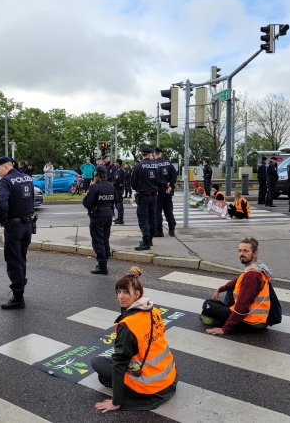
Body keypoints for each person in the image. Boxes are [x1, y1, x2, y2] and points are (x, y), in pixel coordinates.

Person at [92, 266, 178, 413]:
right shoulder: (154, 311)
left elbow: (119, 363)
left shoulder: (128, 325)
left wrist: (116, 402)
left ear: (137, 294)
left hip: (148, 389)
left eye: (126, 292)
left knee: (97, 362)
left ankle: (125, 391)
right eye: (118, 291)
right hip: (168, 380)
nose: (120, 296)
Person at [200, 237, 273, 335]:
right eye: (240, 251)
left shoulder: (252, 276)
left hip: (251, 322)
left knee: (207, 305)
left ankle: (227, 321)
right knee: (229, 290)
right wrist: (220, 289)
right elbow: (237, 281)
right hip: (257, 318)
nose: (242, 254)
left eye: (246, 251)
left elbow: (242, 306)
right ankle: (228, 316)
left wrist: (225, 329)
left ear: (254, 253)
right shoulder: (256, 268)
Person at [0, 156, 36, 309]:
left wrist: (3, 220)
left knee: (13, 260)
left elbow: (1, 204)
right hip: (28, 225)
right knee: (21, 257)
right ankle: (21, 287)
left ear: (6, 166)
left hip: (14, 226)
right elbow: (31, 199)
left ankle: (18, 297)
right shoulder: (27, 178)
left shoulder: (5, 181)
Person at [83, 166, 115, 274]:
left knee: (98, 240)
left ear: (96, 175)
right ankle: (105, 258)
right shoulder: (111, 186)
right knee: (105, 239)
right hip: (108, 214)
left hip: (98, 215)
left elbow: (86, 203)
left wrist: (88, 191)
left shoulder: (95, 187)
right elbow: (115, 200)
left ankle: (102, 265)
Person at [131, 147, 158, 251]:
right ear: (150, 154)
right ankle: (150, 239)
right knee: (152, 217)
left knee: (143, 218)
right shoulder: (155, 165)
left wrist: (139, 187)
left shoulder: (138, 166)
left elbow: (133, 183)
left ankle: (146, 241)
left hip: (143, 195)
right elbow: (159, 180)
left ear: (142, 154)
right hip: (154, 194)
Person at [154, 147, 177, 237]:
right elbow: (174, 175)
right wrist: (170, 186)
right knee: (168, 211)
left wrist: (165, 185)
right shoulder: (168, 163)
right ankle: (172, 229)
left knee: (157, 211)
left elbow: (155, 179)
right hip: (168, 191)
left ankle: (159, 231)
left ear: (154, 154)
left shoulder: (154, 164)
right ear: (161, 153)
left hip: (159, 190)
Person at [113, 159, 125, 225]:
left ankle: (121, 219)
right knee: (117, 204)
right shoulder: (118, 170)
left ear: (118, 163)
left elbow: (117, 180)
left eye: (115, 162)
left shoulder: (120, 170)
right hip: (117, 189)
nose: (115, 163)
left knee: (119, 204)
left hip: (118, 189)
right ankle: (119, 218)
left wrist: (112, 184)